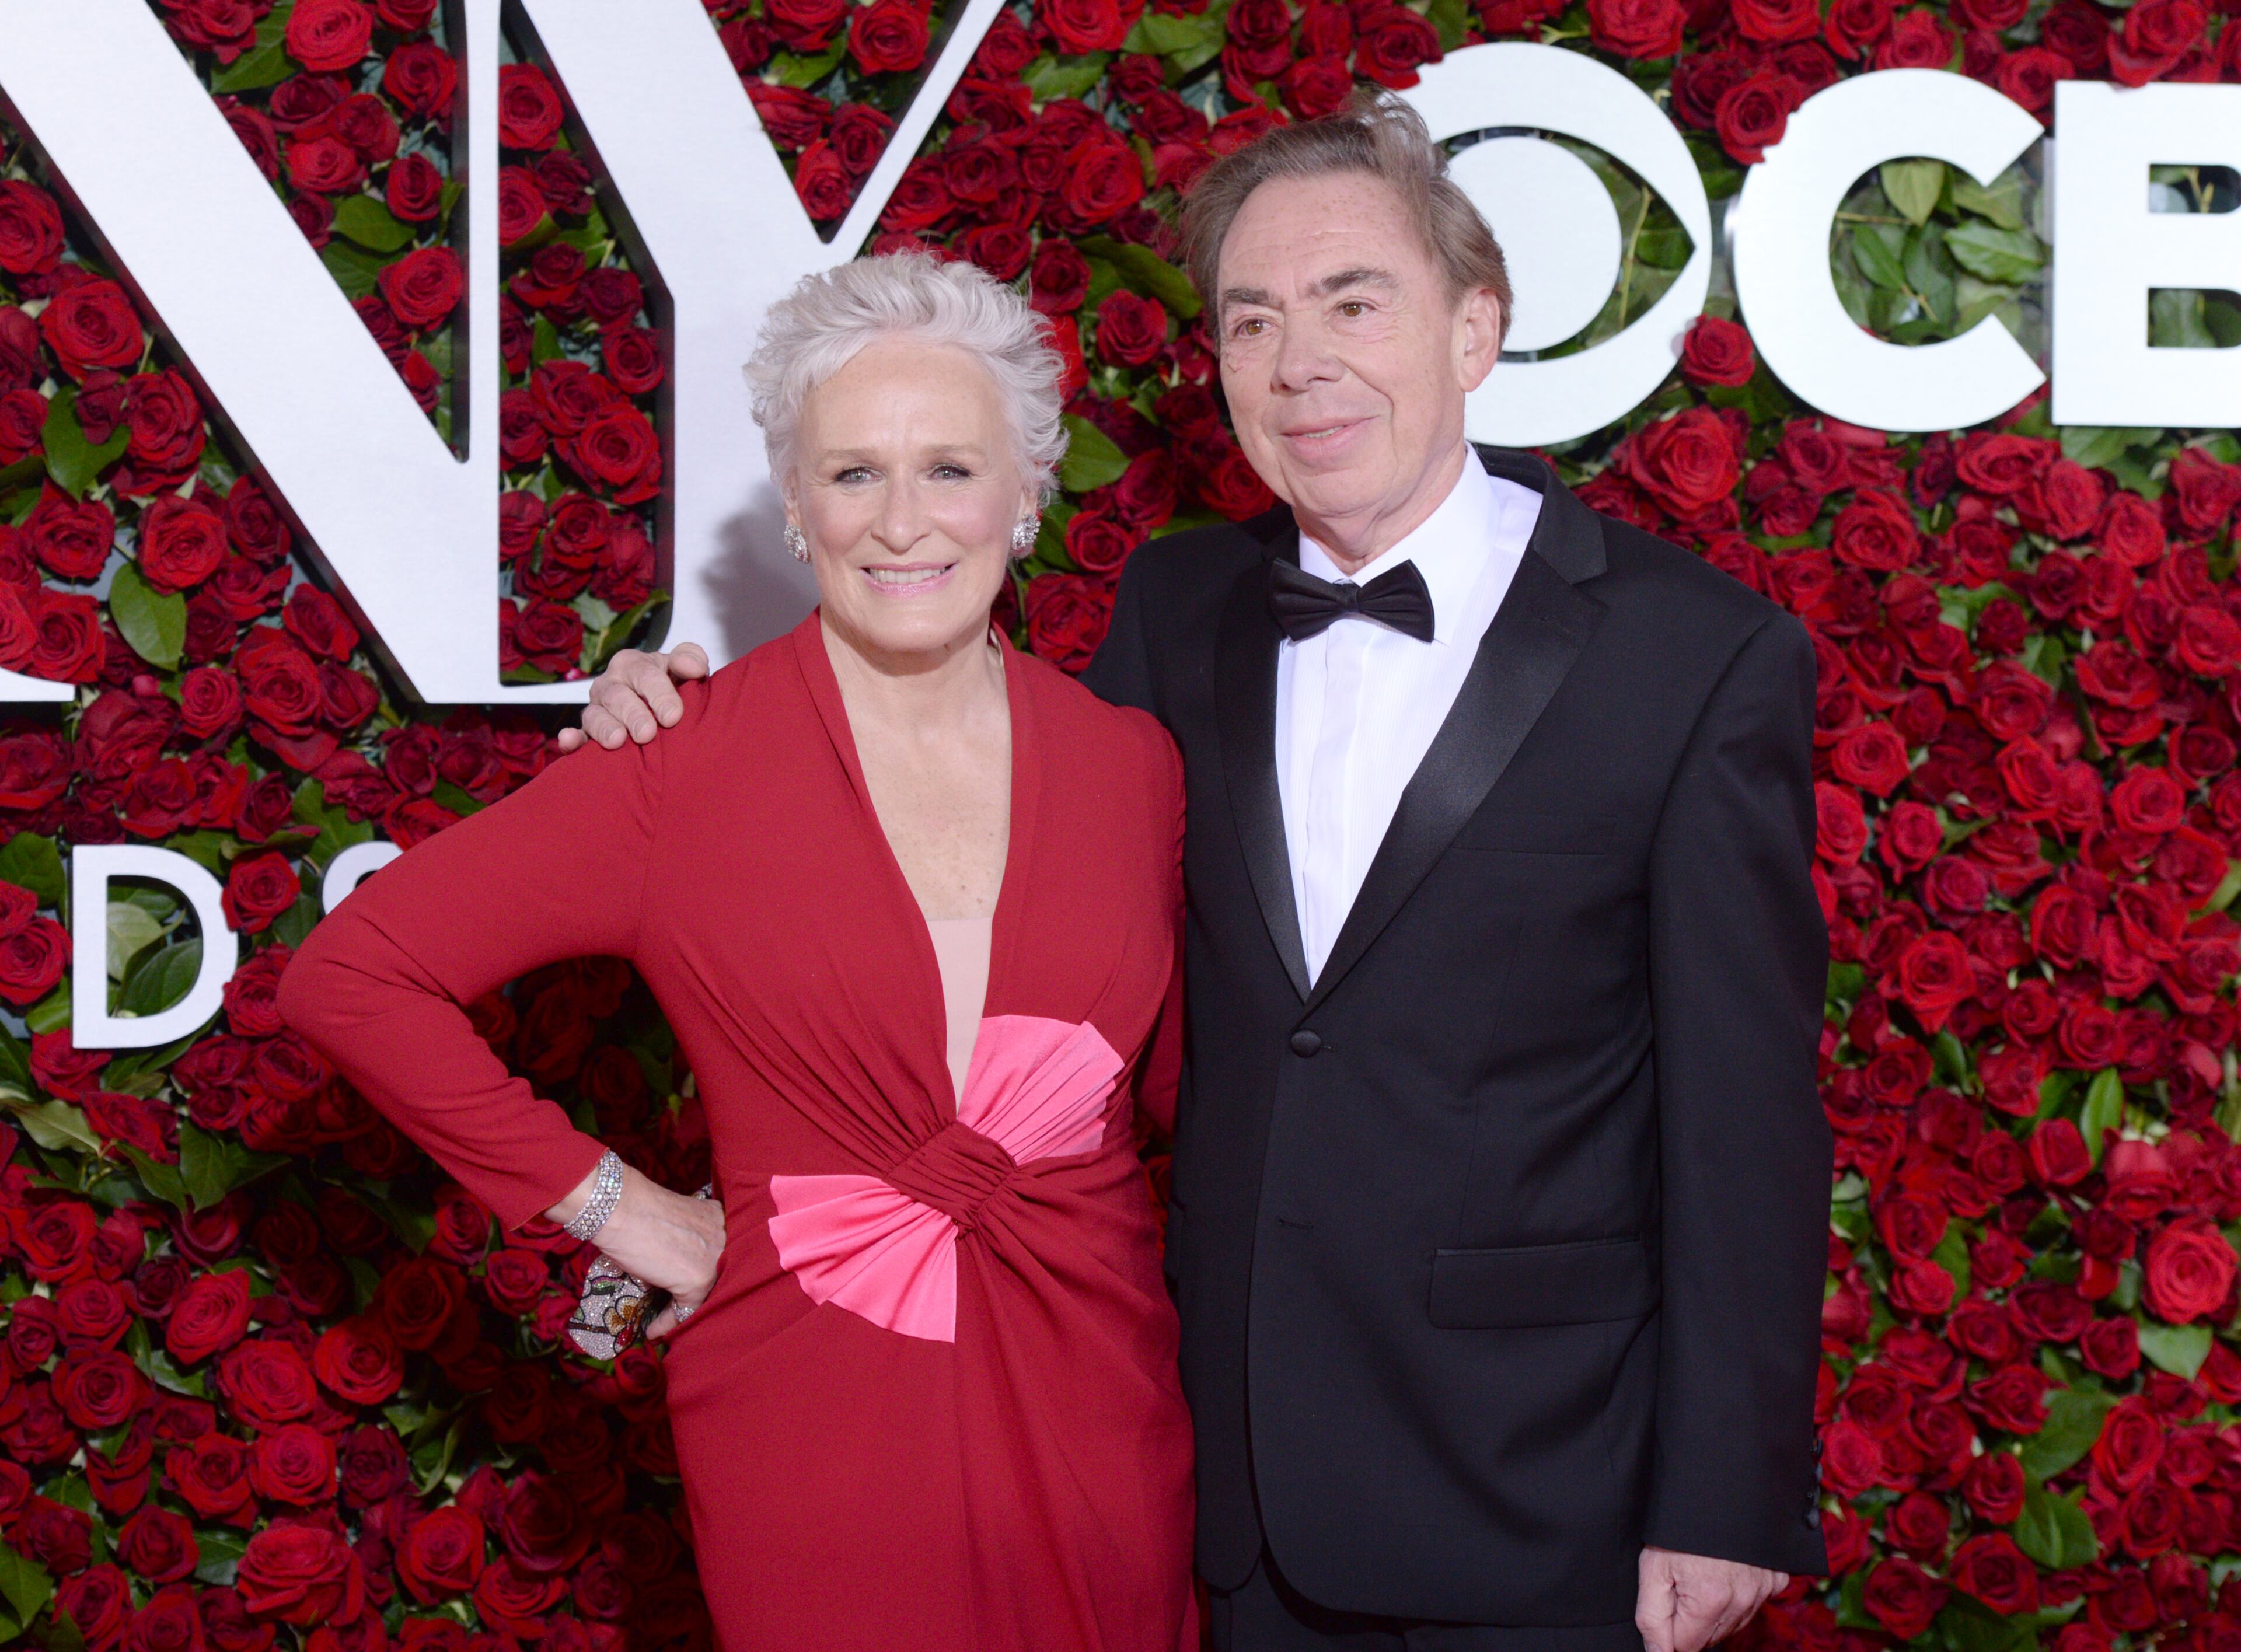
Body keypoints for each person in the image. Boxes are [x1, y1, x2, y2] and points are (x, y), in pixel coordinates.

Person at [573, 96, 1833, 1652]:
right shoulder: (1178, 616)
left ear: (1477, 328)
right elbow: (971, 887)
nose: (1301, 360)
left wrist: (1726, 1491)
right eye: (1252, 321)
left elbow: (1749, 1116)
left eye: (1353, 302)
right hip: (1220, 1491)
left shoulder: (1694, 655)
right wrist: (684, 738)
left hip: (1547, 1493)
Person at [280, 253, 1198, 1652]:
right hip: (810, 1413)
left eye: (950, 469)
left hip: (1102, 1397)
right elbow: (351, 976)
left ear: (1027, 494)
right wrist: (623, 1212)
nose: (901, 523)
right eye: (851, 476)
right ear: (792, 506)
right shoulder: (675, 764)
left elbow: (1212, 1095)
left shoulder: (1132, 767)